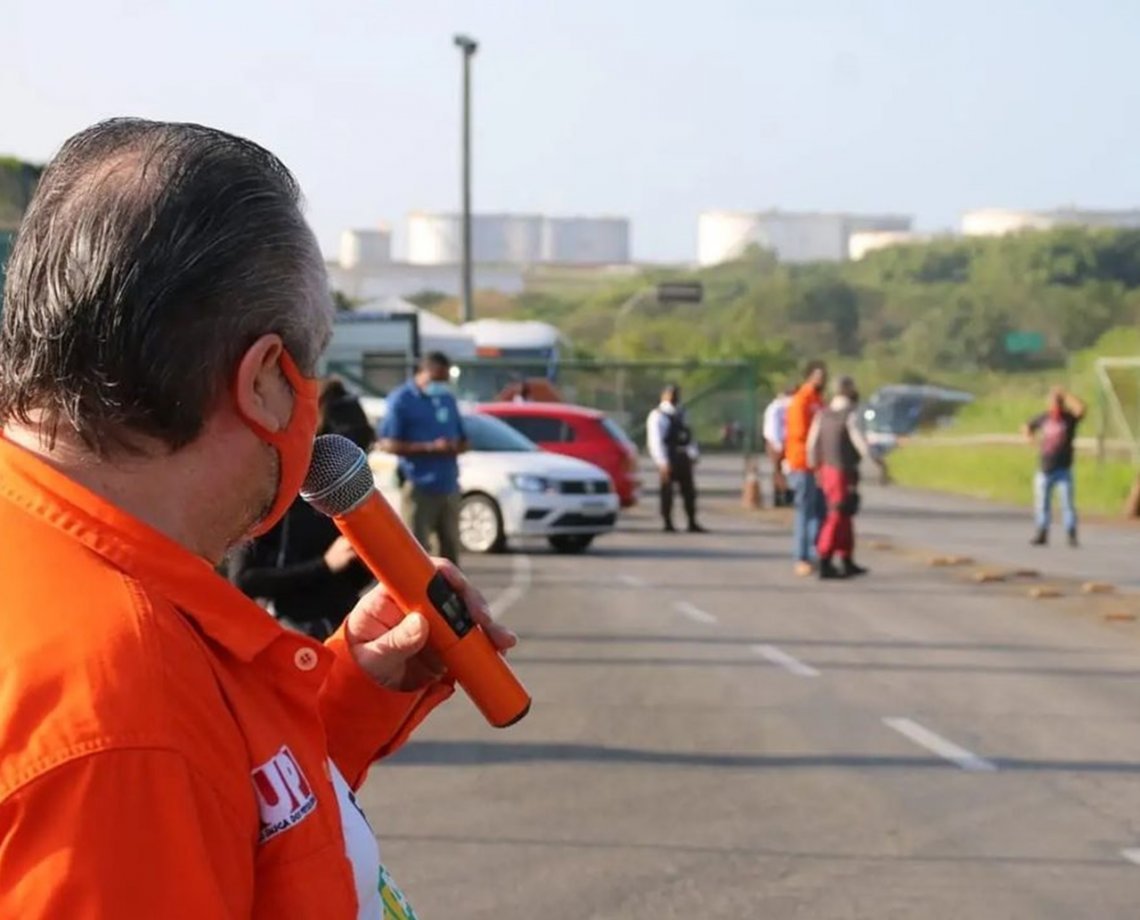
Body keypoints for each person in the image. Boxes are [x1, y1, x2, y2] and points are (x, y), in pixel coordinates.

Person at [0, 118, 515, 917]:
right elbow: (146, 784)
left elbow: (214, 820)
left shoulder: (86, 602)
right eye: (309, 371)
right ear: (266, 381)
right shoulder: (124, 712)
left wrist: (352, 694)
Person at [228, 379, 377, 640]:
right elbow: (244, 579)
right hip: (292, 631)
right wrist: (324, 565)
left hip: (345, 626)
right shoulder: (273, 493)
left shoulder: (345, 494)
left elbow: (353, 579)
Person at [380, 352, 468, 564]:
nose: (442, 384)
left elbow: (465, 439)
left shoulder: (447, 399)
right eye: (439, 379)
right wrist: (429, 448)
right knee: (415, 552)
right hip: (418, 486)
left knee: (450, 552)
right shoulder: (402, 400)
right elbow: (387, 443)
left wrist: (455, 446)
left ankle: (450, 595)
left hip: (448, 485)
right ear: (426, 372)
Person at [807, 376, 887, 579]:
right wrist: (877, 462)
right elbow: (860, 442)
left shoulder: (822, 414)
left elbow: (812, 444)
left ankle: (845, 557)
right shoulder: (850, 415)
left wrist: (815, 467)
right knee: (837, 514)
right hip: (842, 470)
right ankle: (824, 558)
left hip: (827, 469)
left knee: (845, 514)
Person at [1023, 386, 1086, 547]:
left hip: (1064, 468)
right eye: (1052, 402)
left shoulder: (1068, 419)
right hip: (1045, 467)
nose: (1055, 404)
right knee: (1042, 503)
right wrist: (1030, 439)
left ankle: (1071, 534)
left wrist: (1065, 394)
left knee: (1067, 504)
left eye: (1058, 402)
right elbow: (1027, 426)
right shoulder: (1044, 418)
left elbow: (1081, 408)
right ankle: (1042, 533)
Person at [785, 360, 828, 576]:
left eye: (824, 376)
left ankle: (814, 552)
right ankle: (800, 557)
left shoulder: (819, 401)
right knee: (805, 511)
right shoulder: (801, 401)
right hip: (802, 463)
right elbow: (800, 434)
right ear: (809, 376)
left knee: (820, 511)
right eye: (817, 376)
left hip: (819, 465)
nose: (821, 380)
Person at [647, 383, 706, 533]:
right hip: (668, 455)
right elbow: (655, 441)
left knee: (689, 492)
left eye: (676, 393)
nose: (673, 397)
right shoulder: (658, 415)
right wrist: (662, 462)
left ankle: (692, 521)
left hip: (683, 455)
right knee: (667, 492)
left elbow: (688, 435)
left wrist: (693, 454)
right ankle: (667, 522)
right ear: (663, 395)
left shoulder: (682, 413)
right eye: (670, 393)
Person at [762, 386, 796, 507]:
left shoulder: (785, 407)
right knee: (779, 470)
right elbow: (773, 428)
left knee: (784, 470)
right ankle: (782, 495)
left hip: (784, 442)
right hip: (776, 443)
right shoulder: (776, 408)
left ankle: (783, 494)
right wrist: (778, 444)